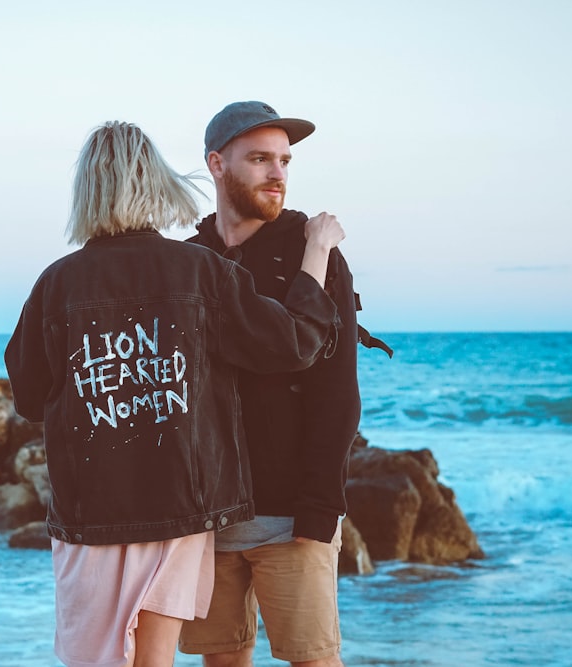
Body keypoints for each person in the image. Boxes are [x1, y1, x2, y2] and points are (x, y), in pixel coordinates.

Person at [4, 120, 348, 667]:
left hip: (90, 513)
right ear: (156, 182)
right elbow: (294, 342)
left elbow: (28, 395)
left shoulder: (56, 284)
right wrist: (317, 257)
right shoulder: (198, 269)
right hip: (179, 511)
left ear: (85, 191)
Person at [178, 101, 362, 667]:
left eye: (284, 160)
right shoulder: (187, 261)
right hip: (207, 517)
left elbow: (338, 392)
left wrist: (320, 507)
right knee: (222, 660)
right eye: (259, 159)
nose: (278, 173)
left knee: (313, 659)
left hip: (290, 515)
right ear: (216, 163)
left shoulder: (314, 254)